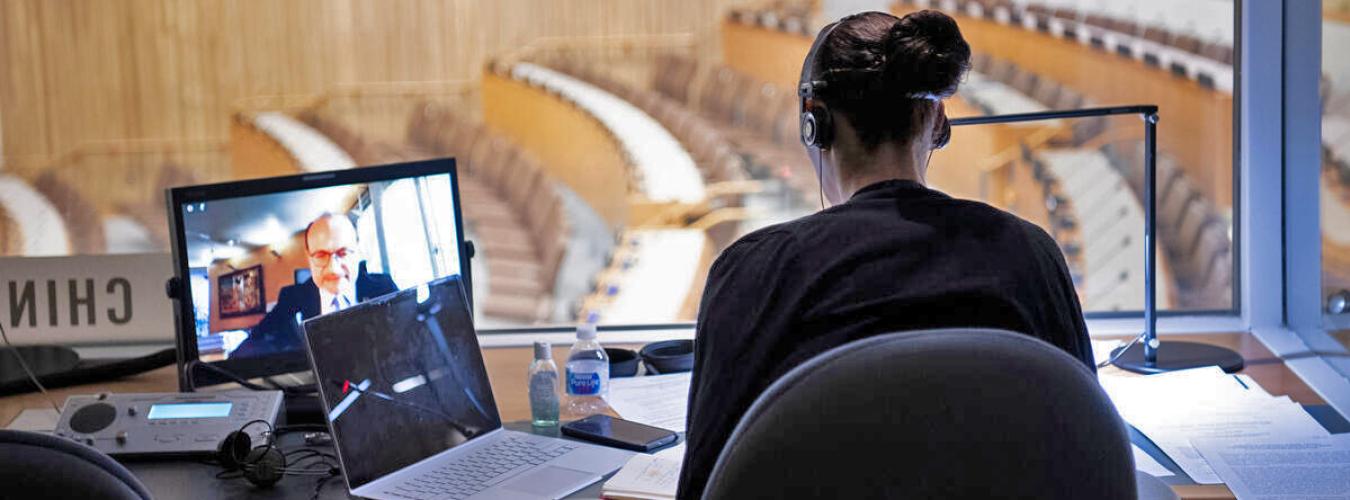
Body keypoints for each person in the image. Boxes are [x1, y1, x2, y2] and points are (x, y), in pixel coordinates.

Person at [677, 10, 1093, 499]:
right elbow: (1085, 442)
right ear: (938, 121)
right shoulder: (1029, 255)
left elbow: (707, 483)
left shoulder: (756, 270)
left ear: (815, 122)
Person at [230, 212, 398, 359]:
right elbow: (256, 340)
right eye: (320, 255)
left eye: (343, 253)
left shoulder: (384, 288)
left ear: (358, 251)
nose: (333, 268)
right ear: (309, 257)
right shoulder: (291, 298)